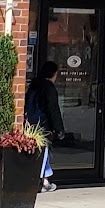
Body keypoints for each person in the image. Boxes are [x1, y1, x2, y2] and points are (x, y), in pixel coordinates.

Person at [25, 58, 65, 191]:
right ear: (53, 74)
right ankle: (41, 182)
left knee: (42, 152)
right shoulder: (49, 88)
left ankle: (46, 180)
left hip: (31, 124)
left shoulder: (34, 85)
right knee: (43, 152)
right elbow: (53, 109)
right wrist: (59, 129)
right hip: (43, 125)